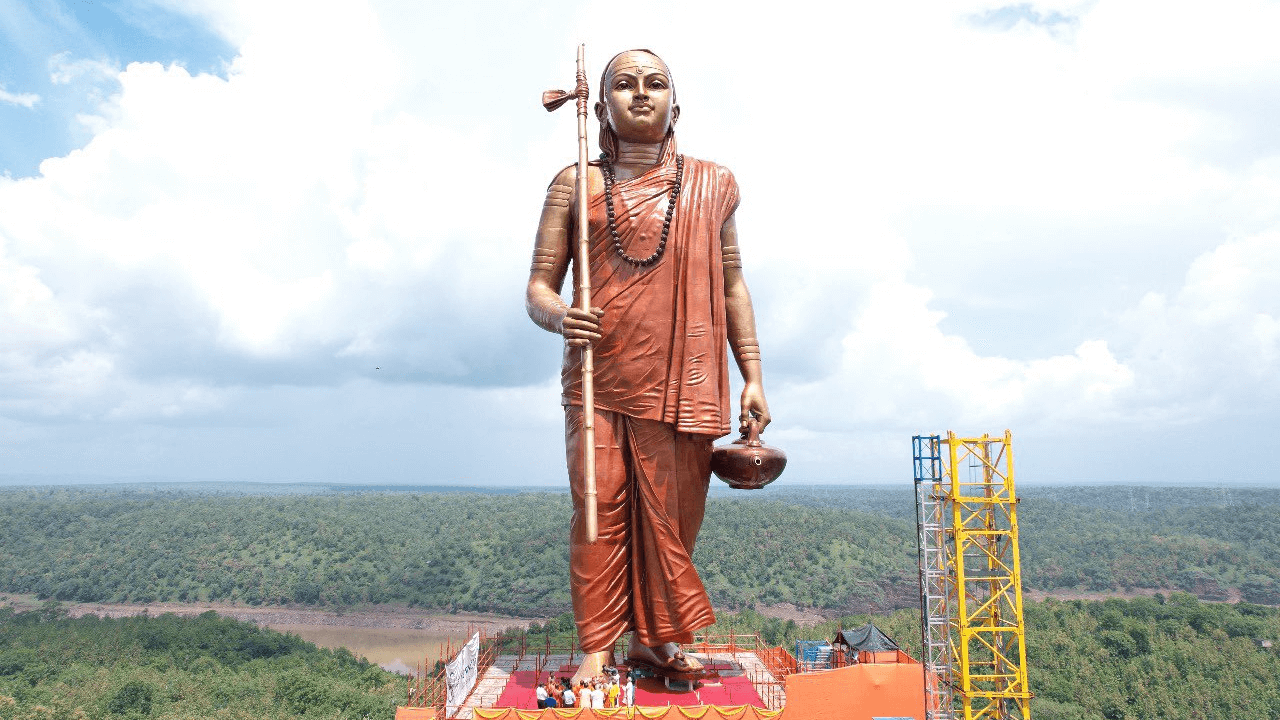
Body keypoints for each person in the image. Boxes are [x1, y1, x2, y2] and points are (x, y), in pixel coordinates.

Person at [526, 48, 772, 686]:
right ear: (603, 105)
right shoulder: (574, 183)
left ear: (675, 105)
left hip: (685, 383)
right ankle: (598, 646)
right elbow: (538, 288)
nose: (641, 94)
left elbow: (732, 283)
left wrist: (752, 373)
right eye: (625, 85)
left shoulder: (713, 183)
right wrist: (560, 317)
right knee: (596, 510)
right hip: (598, 376)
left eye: (655, 83)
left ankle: (656, 641)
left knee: (673, 519)